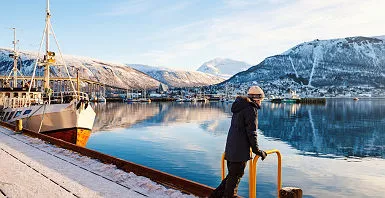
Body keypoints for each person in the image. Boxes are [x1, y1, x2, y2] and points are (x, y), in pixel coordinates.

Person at [210, 86, 267, 198]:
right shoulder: (251, 109)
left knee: (231, 177)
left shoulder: (239, 107)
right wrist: (257, 151)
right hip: (240, 152)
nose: (261, 102)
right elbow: (252, 132)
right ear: (256, 99)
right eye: (261, 100)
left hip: (231, 149)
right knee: (234, 179)